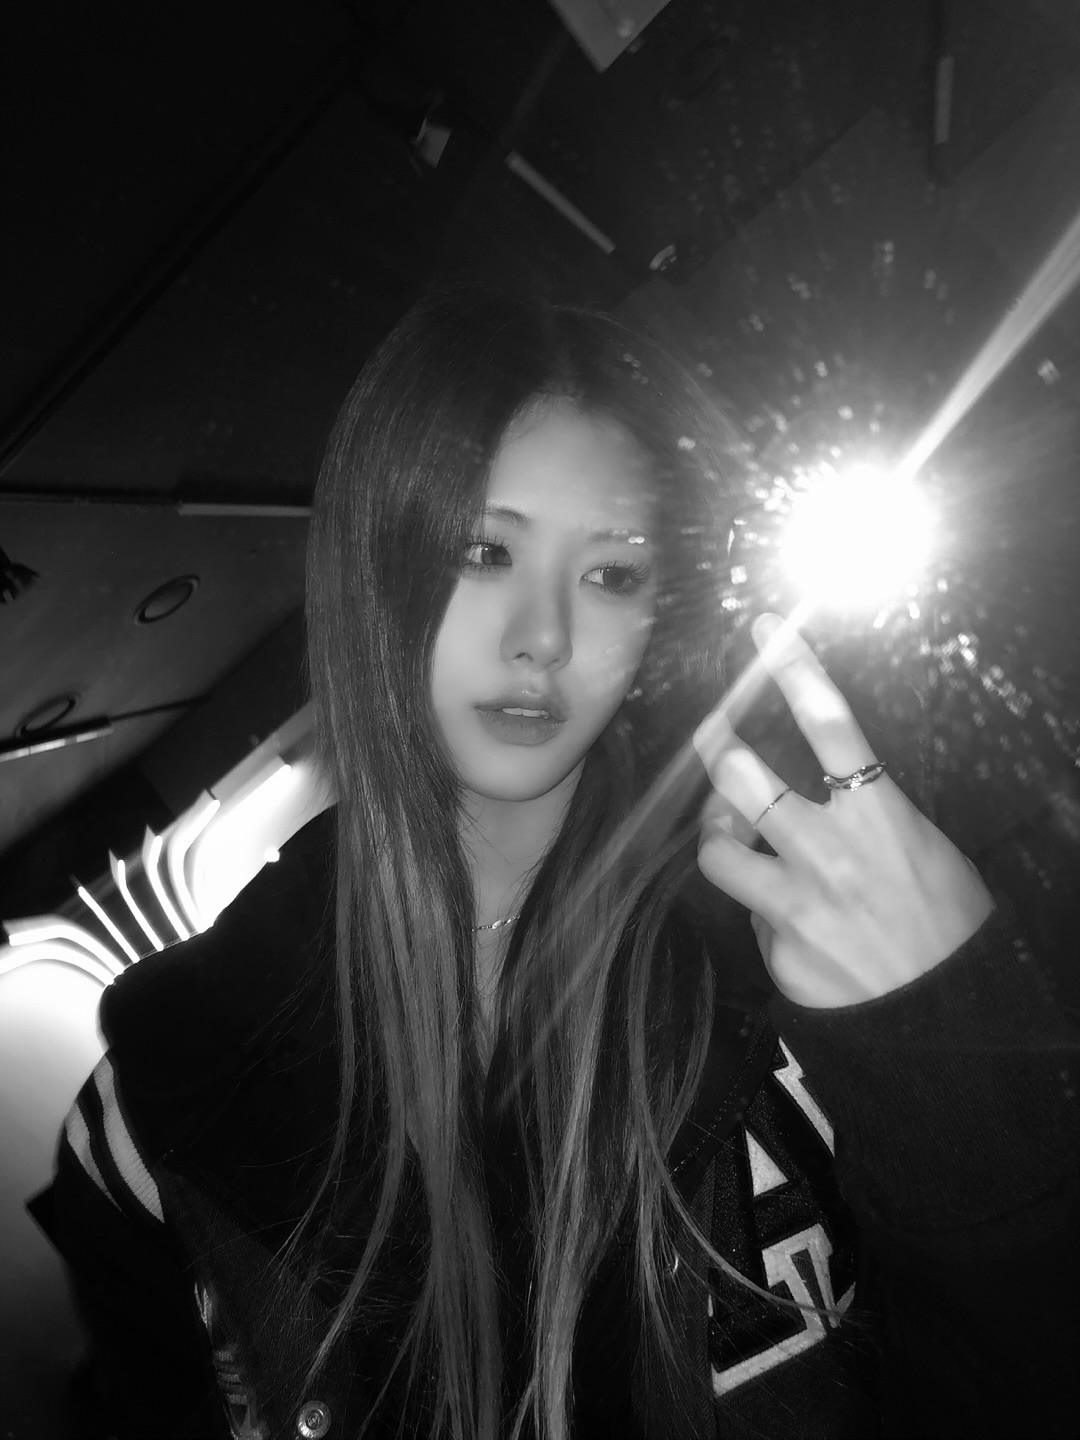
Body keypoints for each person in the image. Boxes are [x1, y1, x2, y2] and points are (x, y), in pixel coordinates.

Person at [50, 285, 1078, 1440]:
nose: (543, 637)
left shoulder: (795, 964)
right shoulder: (156, 1104)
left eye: (612, 575)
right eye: (483, 550)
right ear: (372, 565)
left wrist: (950, 1059)